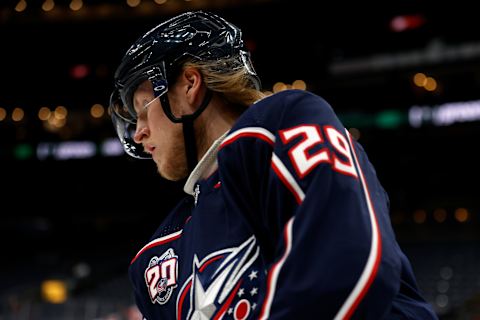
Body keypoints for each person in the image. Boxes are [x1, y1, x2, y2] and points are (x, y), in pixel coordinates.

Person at [108, 10, 438, 320]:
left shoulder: (280, 125)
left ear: (190, 84)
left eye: (141, 108)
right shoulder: (155, 258)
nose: (138, 133)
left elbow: (348, 266)